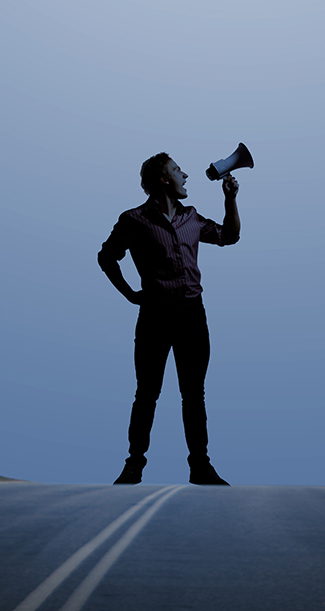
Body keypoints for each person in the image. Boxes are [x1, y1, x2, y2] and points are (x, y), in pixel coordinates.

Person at [97, 152, 241, 485]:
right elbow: (106, 257)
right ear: (163, 179)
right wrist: (131, 294)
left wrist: (231, 201)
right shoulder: (134, 219)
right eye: (178, 170)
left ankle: (200, 467)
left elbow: (229, 237)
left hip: (193, 315)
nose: (186, 175)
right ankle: (134, 466)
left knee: (194, 394)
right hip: (155, 317)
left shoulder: (192, 218)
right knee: (147, 392)